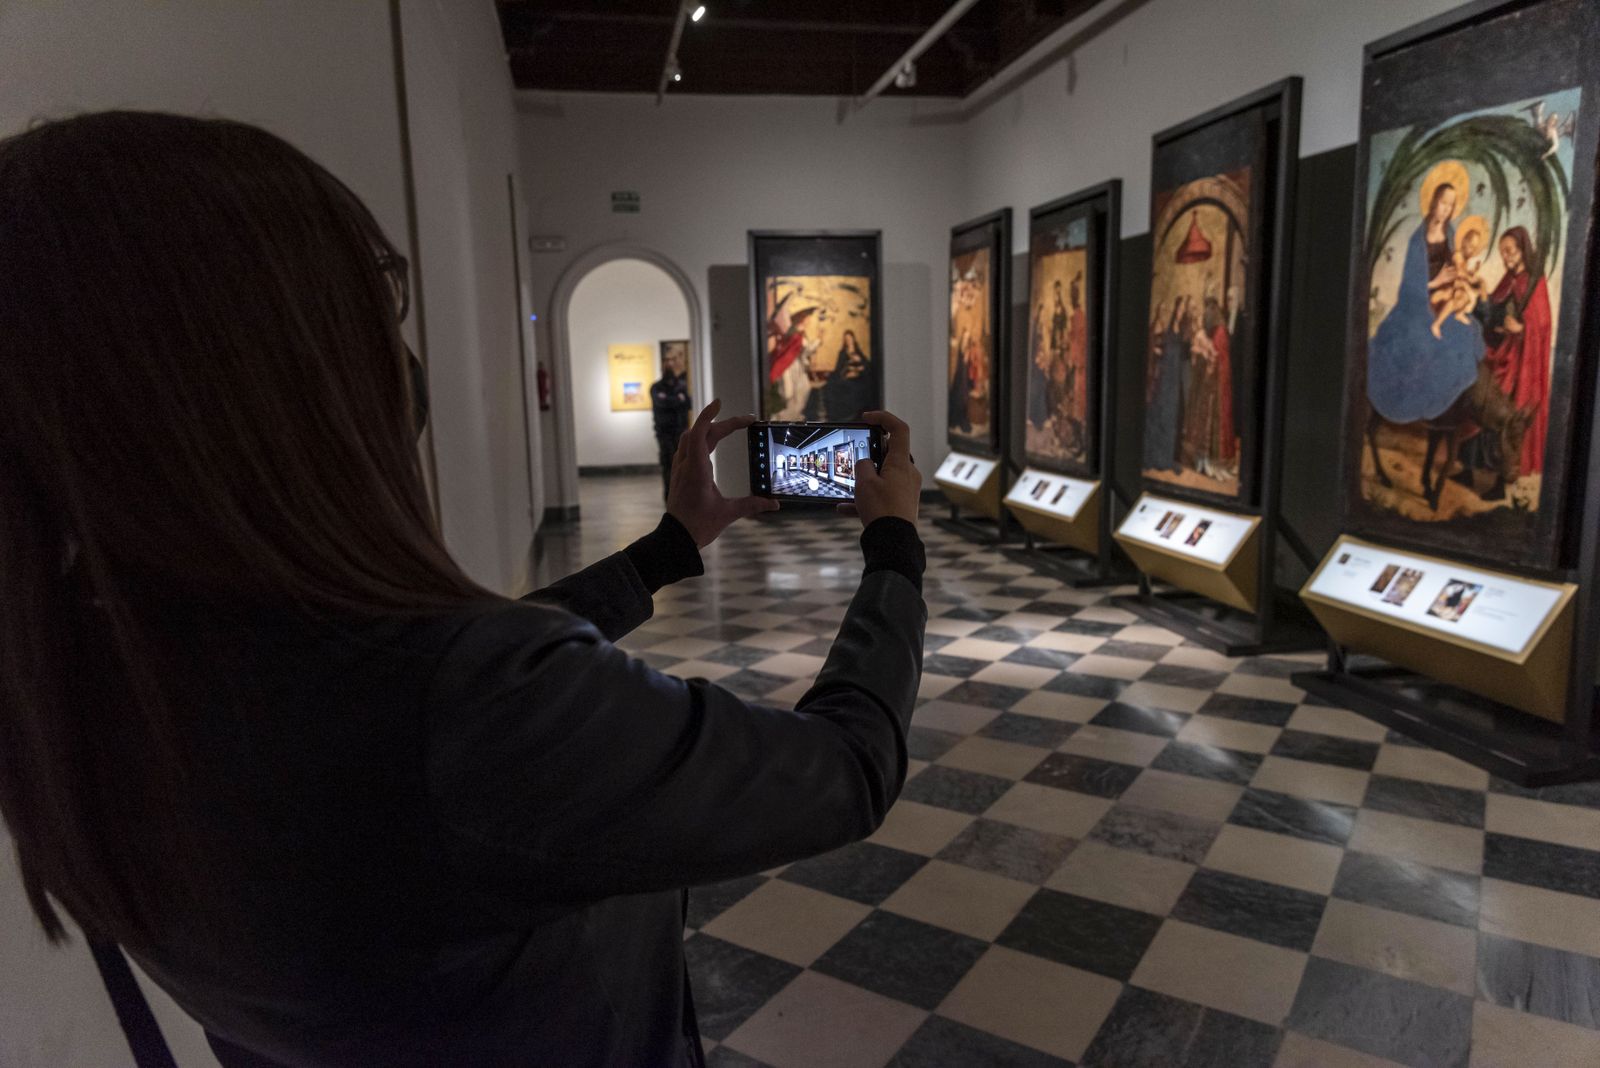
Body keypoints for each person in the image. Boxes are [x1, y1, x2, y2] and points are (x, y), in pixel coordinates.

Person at [0, 112, 928, 1068]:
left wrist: (665, 549)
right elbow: (845, 768)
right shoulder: (468, 712)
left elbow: (402, 675)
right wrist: (893, 543)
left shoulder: (82, 676)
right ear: (289, 381)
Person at [650, 346, 692, 501]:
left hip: (680, 431)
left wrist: (671, 400)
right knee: (668, 464)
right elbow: (662, 403)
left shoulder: (680, 386)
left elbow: (688, 403)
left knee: (682, 463)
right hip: (664, 433)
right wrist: (676, 400)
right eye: (667, 360)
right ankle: (669, 495)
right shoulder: (656, 388)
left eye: (672, 360)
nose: (669, 364)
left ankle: (681, 494)